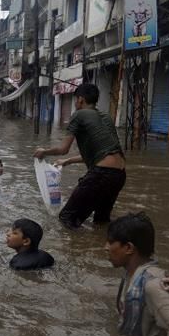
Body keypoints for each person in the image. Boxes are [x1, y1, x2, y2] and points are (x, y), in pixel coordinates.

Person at [33, 83, 126, 229]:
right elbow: (104, 154)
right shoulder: (106, 117)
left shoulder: (79, 115)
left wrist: (44, 151)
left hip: (102, 175)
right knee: (101, 220)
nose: (75, 103)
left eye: (76, 99)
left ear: (81, 100)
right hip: (119, 175)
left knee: (66, 218)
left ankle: (73, 250)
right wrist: (68, 161)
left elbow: (63, 149)